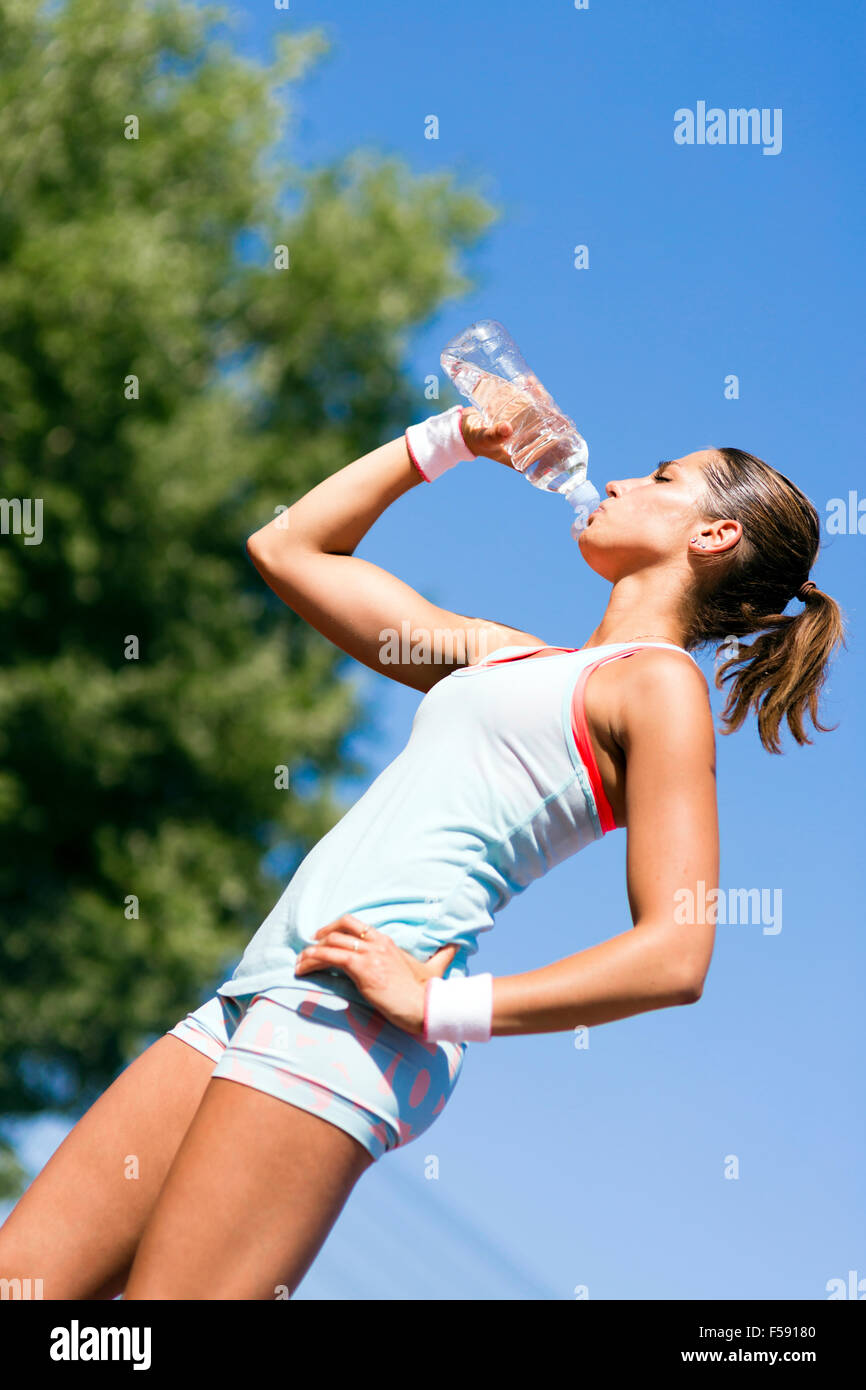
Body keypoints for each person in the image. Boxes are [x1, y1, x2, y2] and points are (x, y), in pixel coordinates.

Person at [0, 401, 844, 1300]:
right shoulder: (503, 657)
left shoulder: (657, 686)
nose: (617, 480)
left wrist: (443, 1004)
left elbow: (677, 952)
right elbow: (288, 549)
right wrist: (450, 441)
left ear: (715, 534)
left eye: (662, 478)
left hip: (351, 1019)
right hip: (259, 990)